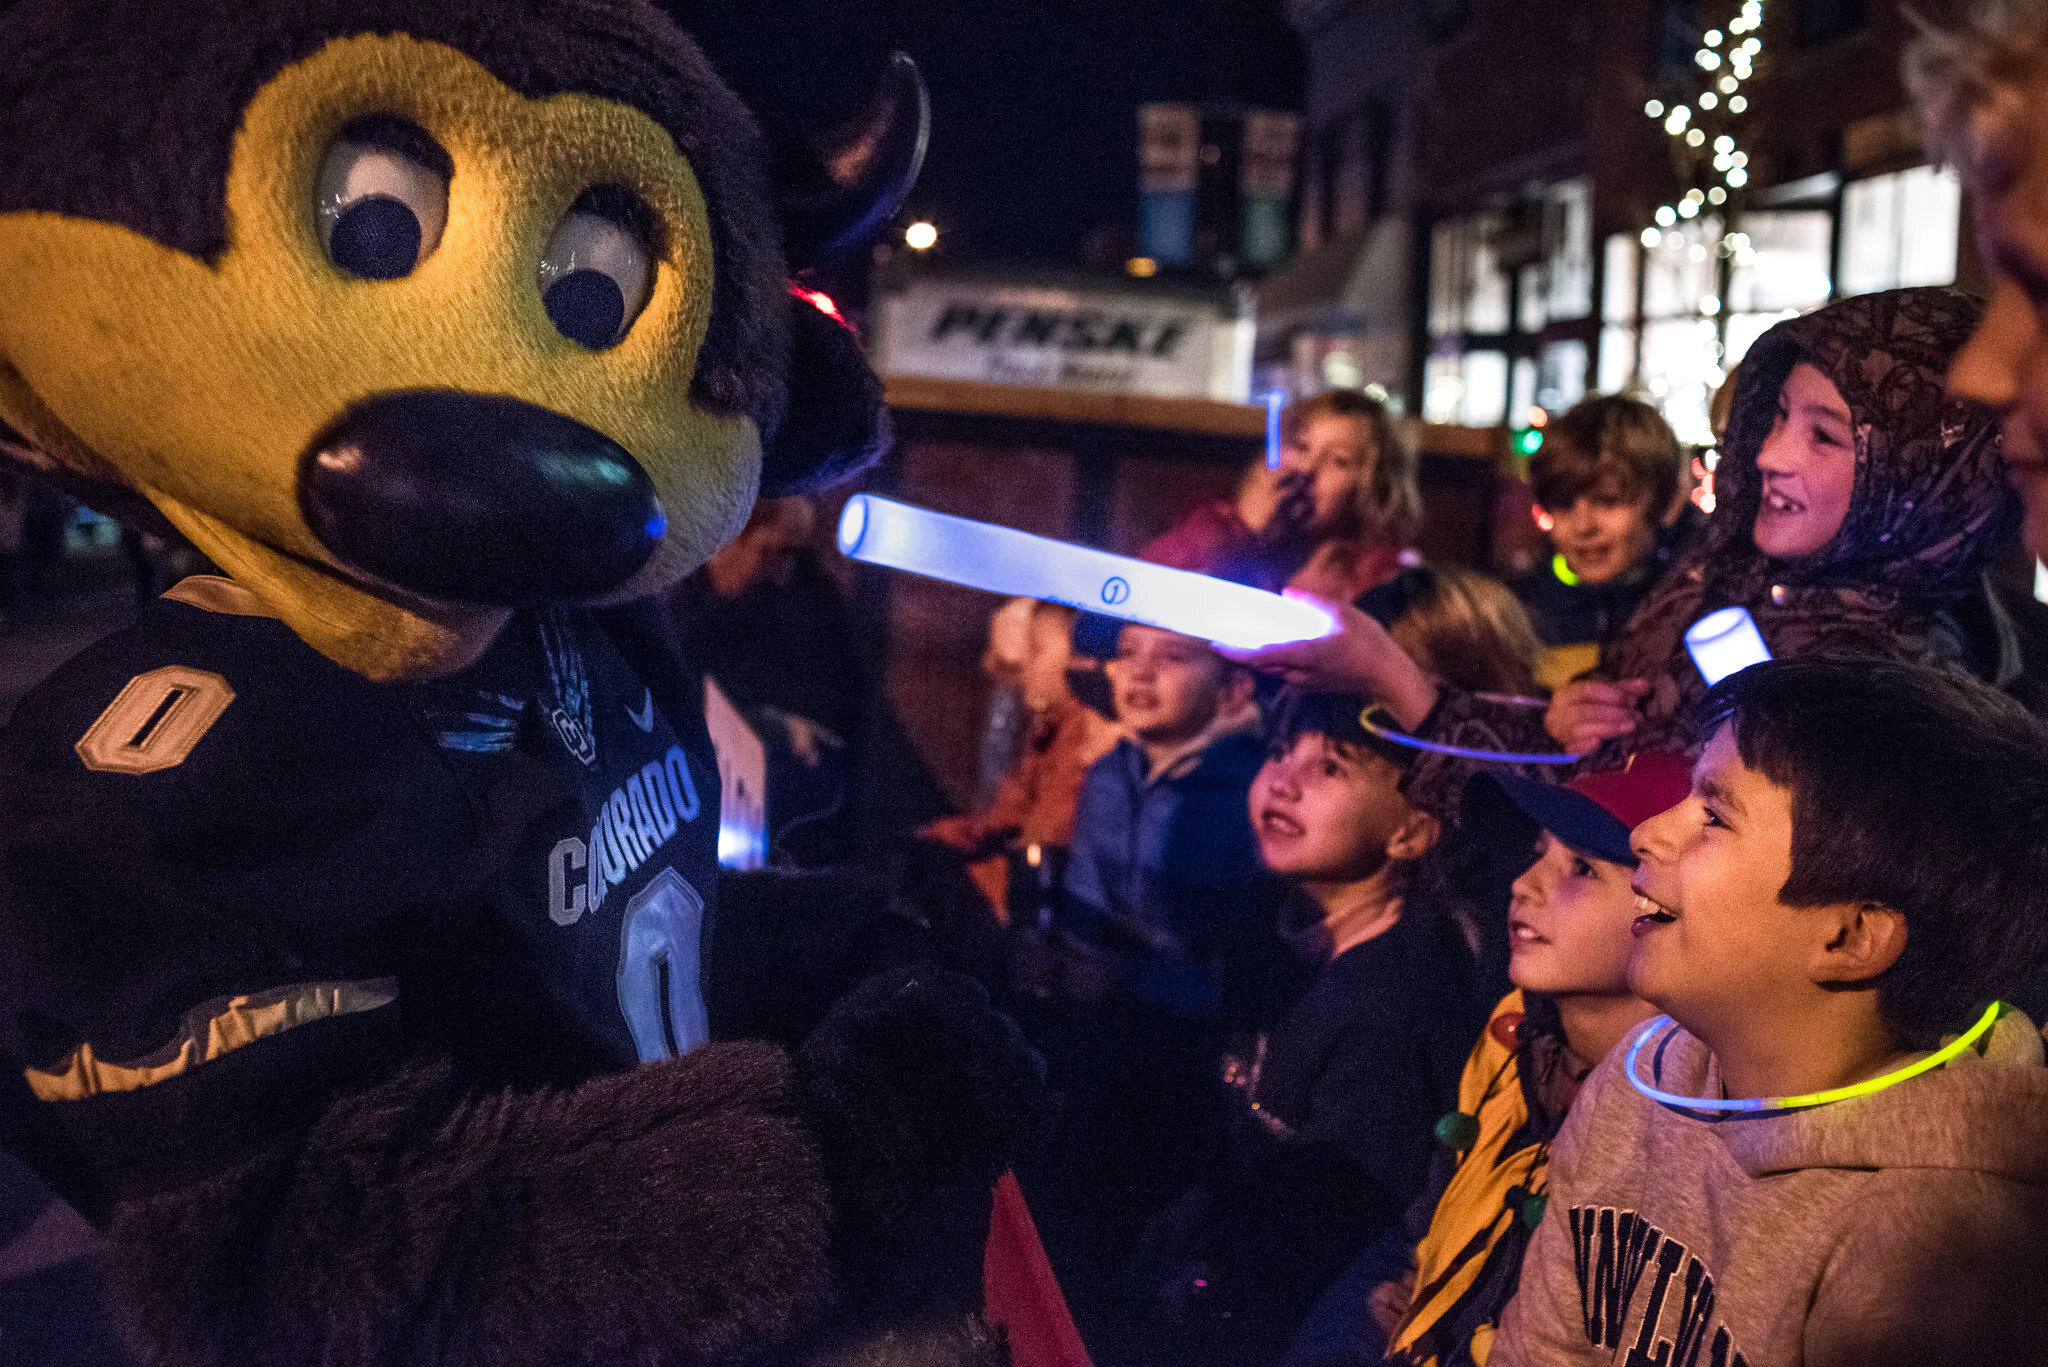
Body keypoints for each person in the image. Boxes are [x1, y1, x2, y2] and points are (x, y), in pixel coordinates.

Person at [1225, 289, 2025, 815]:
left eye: (1822, 433)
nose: (1769, 455)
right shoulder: (1738, 577)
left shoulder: (1879, 698)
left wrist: (1388, 674)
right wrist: (1567, 720)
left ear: (1923, 476)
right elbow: (1585, 791)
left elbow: (1622, 846)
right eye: (1775, 417)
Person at [1493, 658, 2048, 1366]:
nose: (1648, 833)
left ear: (1848, 936)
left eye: (1713, 815)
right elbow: (1540, 1347)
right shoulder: (1638, 1082)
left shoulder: (1938, 1247)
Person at [1131, 687, 1490, 1367]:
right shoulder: (1268, 926)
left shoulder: (1394, 1006)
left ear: (1411, 831)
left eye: (1331, 768)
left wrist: (1212, 1273)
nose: (1284, 781)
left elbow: (1333, 1229)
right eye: (1278, 751)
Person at [1364, 752, 1690, 1367]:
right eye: (1539, 851)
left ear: (1669, 913)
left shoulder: (1671, 1125)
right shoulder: (1514, 1033)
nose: (1524, 883)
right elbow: (1417, 1235)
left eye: (1583, 869)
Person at [924, 600, 1122, 920]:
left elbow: (1044, 853)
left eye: (1037, 651)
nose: (1025, 669)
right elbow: (1004, 818)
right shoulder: (1048, 727)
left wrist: (956, 884)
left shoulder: (1089, 734)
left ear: (1078, 658)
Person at [1144, 388, 1422, 599]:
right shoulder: (1219, 528)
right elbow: (1145, 592)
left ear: (1377, 484)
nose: (1307, 470)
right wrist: (1240, 530)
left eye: (1339, 461)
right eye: (1301, 447)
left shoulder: (1388, 580)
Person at [1511, 396, 1690, 688]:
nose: (1583, 526)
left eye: (1608, 502)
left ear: (1666, 504)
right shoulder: (1523, 618)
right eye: (1563, 504)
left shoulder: (1689, 613)